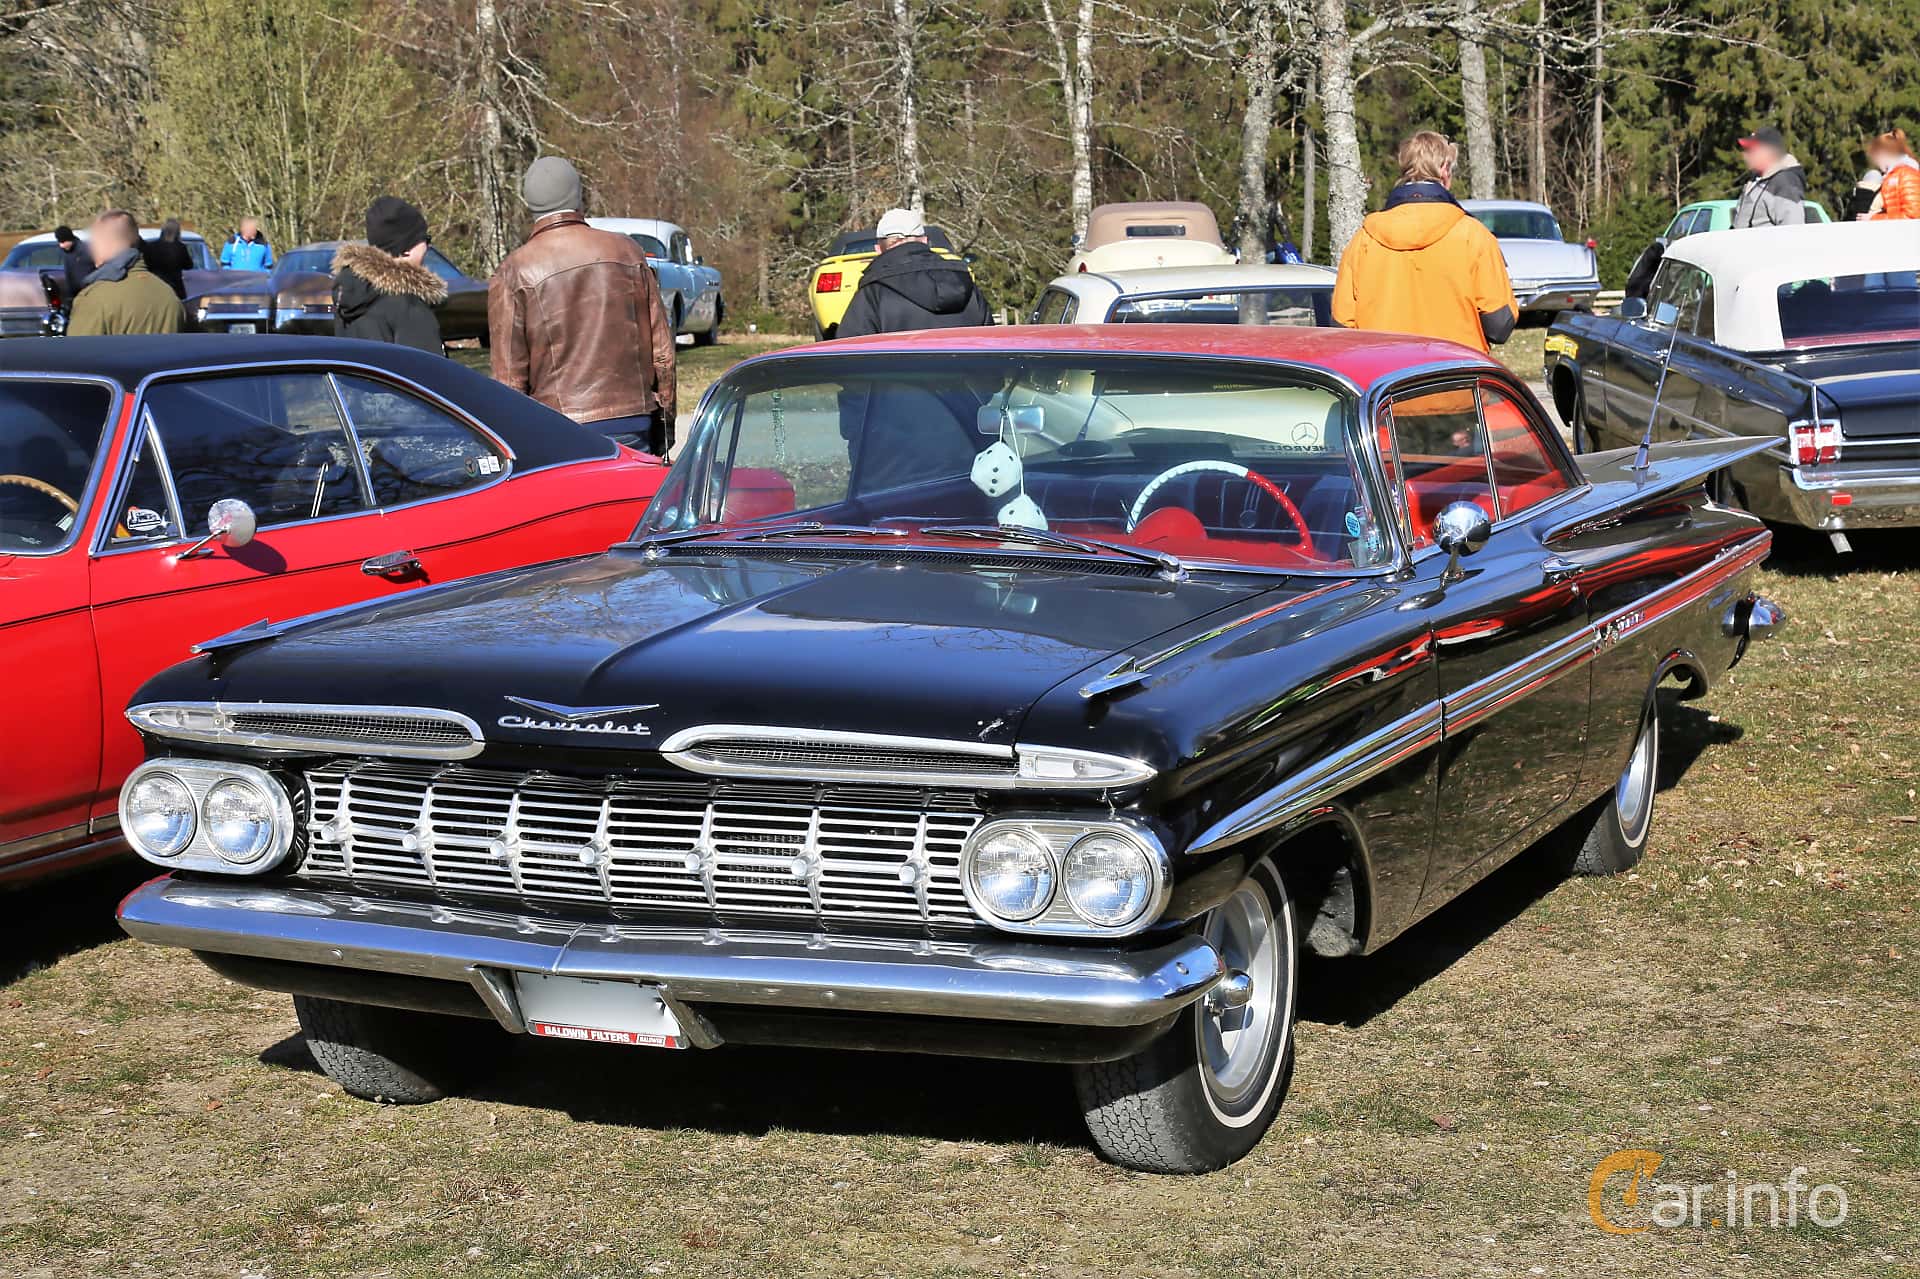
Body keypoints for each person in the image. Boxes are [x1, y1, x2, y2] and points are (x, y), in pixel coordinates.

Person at [488, 156, 677, 455]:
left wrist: (516, 446)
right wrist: (665, 424)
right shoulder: (628, 252)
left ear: (530, 203)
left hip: (557, 427)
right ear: (578, 196)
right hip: (631, 418)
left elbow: (509, 380)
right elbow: (662, 353)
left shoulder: (514, 271)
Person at [1331, 131, 1517, 353]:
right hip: (1456, 368)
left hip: (1385, 369)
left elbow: (1342, 325)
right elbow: (1500, 325)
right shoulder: (1474, 235)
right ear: (1444, 170)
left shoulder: (1364, 239)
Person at [836, 208, 991, 337]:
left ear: (878, 249)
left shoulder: (873, 292)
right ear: (924, 241)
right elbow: (991, 342)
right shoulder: (965, 284)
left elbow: (850, 352)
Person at [332, 197, 445, 353]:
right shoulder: (409, 306)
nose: (428, 246)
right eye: (426, 239)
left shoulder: (347, 298)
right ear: (406, 249)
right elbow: (427, 366)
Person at [66, 209, 183, 336]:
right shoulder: (170, 296)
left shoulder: (95, 299)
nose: (91, 248)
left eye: (94, 242)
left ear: (108, 243)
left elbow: (78, 348)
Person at [1731, 127, 1807, 228]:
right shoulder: (1755, 181)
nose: (1745, 155)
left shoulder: (1784, 184)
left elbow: (1793, 230)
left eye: (1751, 150)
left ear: (1768, 152)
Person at [1860, 130, 1919, 220]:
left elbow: (1912, 215)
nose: (1876, 164)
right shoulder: (1892, 176)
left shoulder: (1907, 175)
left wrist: (1874, 218)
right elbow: (1894, 210)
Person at [142, 218, 194, 298]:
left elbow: (145, 266)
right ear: (177, 232)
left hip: (156, 287)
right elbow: (189, 265)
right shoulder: (180, 247)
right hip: (175, 288)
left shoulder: (150, 246)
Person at [53, 225, 92, 299]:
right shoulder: (67, 253)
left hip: (88, 293)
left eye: (63, 242)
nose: (61, 245)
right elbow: (69, 275)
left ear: (70, 239)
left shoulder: (85, 251)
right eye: (60, 242)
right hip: (75, 295)